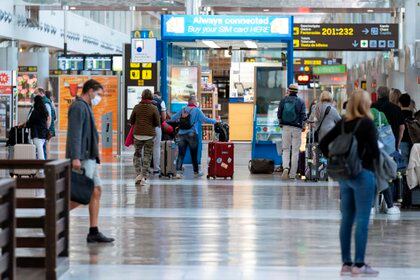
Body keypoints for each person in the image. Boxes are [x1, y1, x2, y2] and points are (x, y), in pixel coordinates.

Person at [319, 90, 380, 277]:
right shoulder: (367, 124)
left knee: (346, 219)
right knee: (362, 218)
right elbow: (375, 152)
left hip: (345, 176)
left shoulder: (344, 123)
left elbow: (323, 143)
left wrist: (335, 157)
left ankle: (346, 264)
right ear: (365, 104)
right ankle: (359, 264)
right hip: (363, 174)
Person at [66, 79, 114, 243]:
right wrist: (75, 158)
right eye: (98, 94)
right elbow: (75, 133)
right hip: (83, 157)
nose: (99, 97)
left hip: (90, 157)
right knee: (82, 194)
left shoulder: (86, 106)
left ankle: (93, 231)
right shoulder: (79, 107)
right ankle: (53, 215)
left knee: (96, 191)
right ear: (90, 91)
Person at [170, 95, 217, 178]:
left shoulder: (183, 109)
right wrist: (215, 121)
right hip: (192, 134)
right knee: (194, 154)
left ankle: (178, 172)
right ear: (194, 102)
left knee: (181, 154)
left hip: (181, 134)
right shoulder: (197, 110)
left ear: (188, 102)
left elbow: (173, 118)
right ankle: (196, 172)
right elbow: (205, 119)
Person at [129, 89, 160, 186]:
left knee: (137, 155)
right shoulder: (154, 108)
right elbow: (157, 123)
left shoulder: (137, 107)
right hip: (149, 135)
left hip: (137, 134)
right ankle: (143, 176)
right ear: (151, 97)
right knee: (147, 155)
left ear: (142, 96)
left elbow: (132, 120)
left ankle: (138, 174)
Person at [277, 84, 306, 180]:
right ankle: (292, 173)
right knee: (295, 151)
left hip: (285, 127)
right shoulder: (301, 101)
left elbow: (279, 114)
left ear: (289, 91)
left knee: (285, 149)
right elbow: (303, 115)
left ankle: (285, 167)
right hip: (297, 128)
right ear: (297, 92)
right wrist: (303, 126)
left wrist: (281, 122)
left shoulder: (283, 100)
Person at [372, 86, 405, 151]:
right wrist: (398, 143)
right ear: (389, 94)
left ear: (378, 94)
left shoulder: (372, 107)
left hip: (375, 142)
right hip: (392, 143)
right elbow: (402, 127)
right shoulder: (396, 108)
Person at [26, 95, 50, 166]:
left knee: (40, 152)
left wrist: (25, 124)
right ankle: (40, 168)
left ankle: (42, 169)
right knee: (40, 150)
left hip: (37, 134)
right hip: (43, 134)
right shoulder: (44, 111)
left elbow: (30, 122)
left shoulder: (35, 111)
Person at [152, 91, 167, 175]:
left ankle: (144, 168)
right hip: (156, 126)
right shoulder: (161, 102)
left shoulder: (146, 101)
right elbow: (164, 117)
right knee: (156, 147)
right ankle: (156, 168)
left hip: (146, 127)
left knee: (145, 147)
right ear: (160, 96)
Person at [399, 94, 414, 166]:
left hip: (402, 141)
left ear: (400, 103)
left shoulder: (398, 114)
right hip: (413, 142)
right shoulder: (414, 115)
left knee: (403, 165)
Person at [42, 90, 56, 159]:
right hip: (51, 127)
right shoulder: (51, 103)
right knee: (47, 143)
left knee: (46, 144)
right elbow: (55, 117)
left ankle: (47, 159)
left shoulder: (46, 103)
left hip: (48, 127)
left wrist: (47, 127)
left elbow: (50, 117)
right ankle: (47, 158)